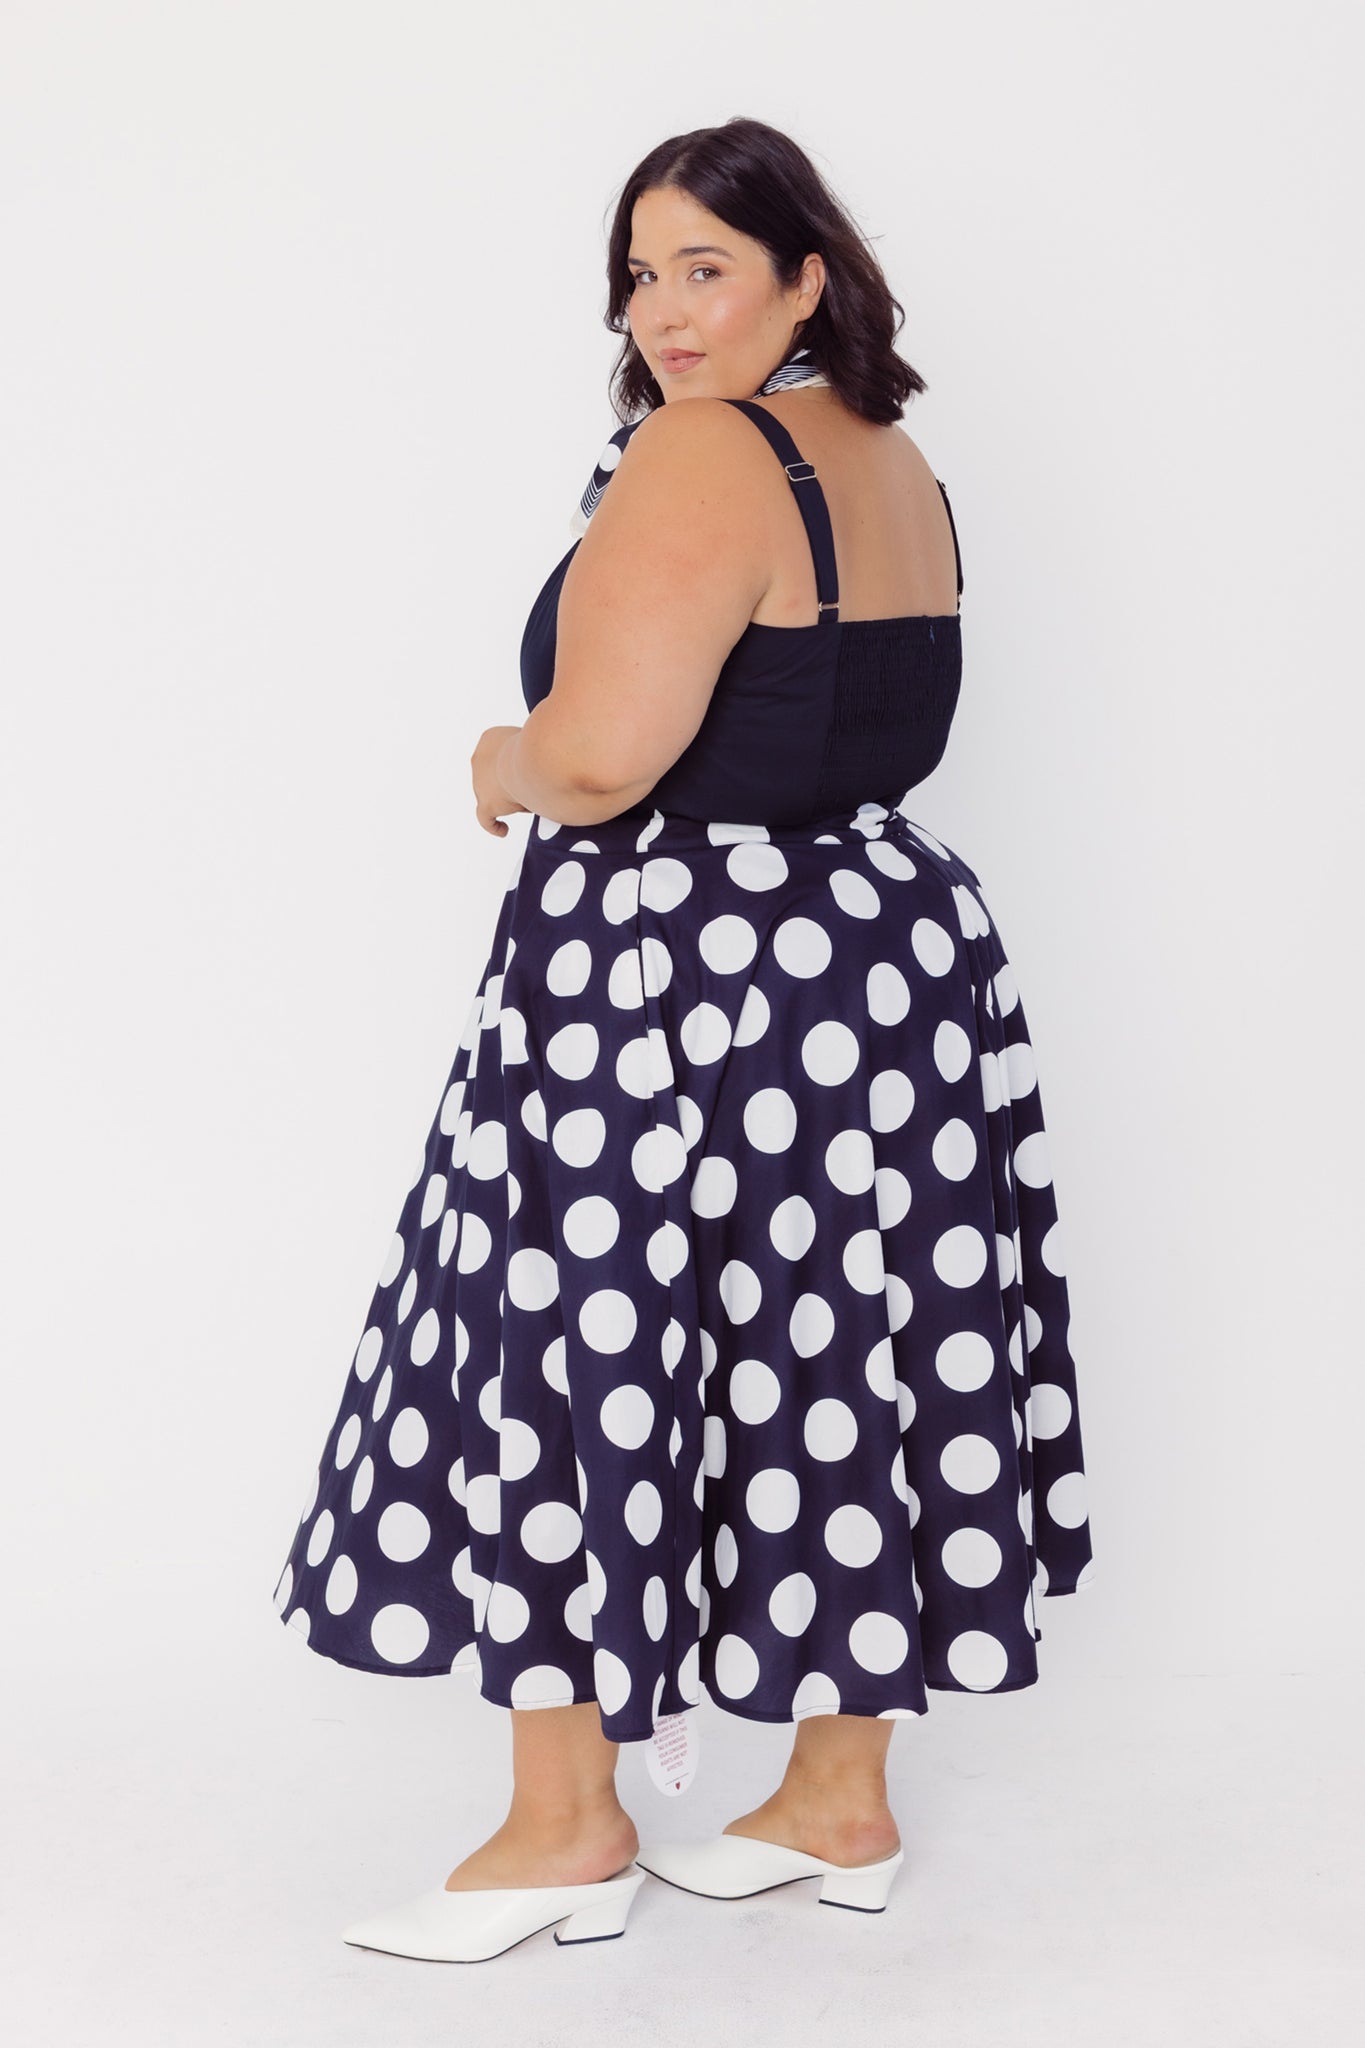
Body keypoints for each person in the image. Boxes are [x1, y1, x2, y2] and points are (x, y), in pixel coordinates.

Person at [270, 116, 1095, 1964]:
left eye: (703, 267)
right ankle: (834, 1797)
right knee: (848, 1351)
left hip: (677, 970)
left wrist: (495, 765)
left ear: (809, 276)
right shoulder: (891, 458)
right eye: (638, 276)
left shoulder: (704, 457)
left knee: (573, 1343)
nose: (660, 312)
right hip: (879, 953)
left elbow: (596, 753)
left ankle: (563, 1826)